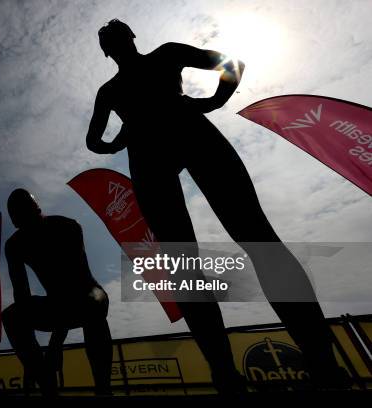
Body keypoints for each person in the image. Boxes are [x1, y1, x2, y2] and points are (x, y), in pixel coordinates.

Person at [85, 19, 348, 391]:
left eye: (115, 39)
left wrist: (209, 102)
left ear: (116, 46)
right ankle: (249, 371)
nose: (117, 44)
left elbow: (95, 141)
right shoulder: (134, 75)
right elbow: (94, 141)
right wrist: (209, 102)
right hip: (170, 140)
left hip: (169, 140)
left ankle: (300, 366)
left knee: (249, 242)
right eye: (114, 41)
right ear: (120, 45)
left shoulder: (136, 74)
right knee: (218, 251)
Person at [1, 189, 113, 396]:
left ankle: (103, 388)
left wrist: (55, 343)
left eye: (28, 215)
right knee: (11, 316)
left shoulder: (67, 227)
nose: (27, 227)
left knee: (92, 303)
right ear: (16, 223)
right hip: (56, 303)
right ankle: (46, 384)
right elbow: (22, 295)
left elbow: (76, 286)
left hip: (87, 293)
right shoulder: (14, 245)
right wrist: (32, 362)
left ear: (38, 210)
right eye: (20, 220)